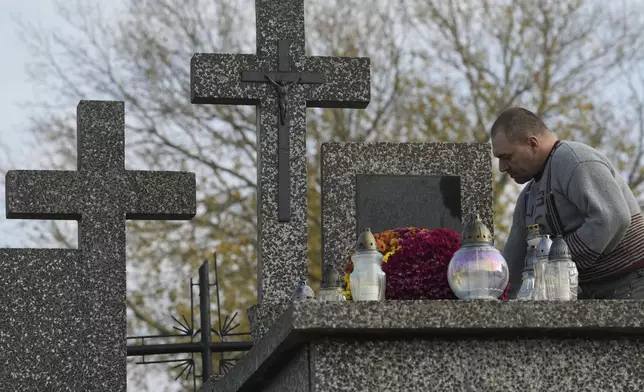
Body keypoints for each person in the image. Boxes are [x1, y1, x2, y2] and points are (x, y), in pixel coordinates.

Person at [490, 107, 644, 299]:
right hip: (585, 293)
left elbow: (612, 217)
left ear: (532, 143)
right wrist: (497, 300)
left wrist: (557, 260)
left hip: (631, 284)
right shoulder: (527, 197)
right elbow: (514, 263)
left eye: (507, 157)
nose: (502, 167)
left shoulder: (574, 159)